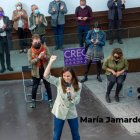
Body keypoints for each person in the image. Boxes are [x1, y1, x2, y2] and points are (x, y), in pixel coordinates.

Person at [44, 55, 82, 140]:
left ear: (72, 76)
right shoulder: (59, 81)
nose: (66, 78)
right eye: (64, 75)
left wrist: (72, 96)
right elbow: (46, 76)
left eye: (68, 76)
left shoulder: (78, 85)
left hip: (71, 111)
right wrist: (50, 62)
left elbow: (77, 100)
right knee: (57, 134)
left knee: (76, 134)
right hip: (59, 111)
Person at [28, 34, 52, 108]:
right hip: (36, 72)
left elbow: (49, 57)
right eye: (35, 42)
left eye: (38, 41)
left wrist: (44, 56)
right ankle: (33, 101)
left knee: (48, 86)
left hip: (45, 71)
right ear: (32, 42)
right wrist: (38, 58)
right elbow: (30, 61)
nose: (37, 43)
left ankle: (50, 101)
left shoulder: (45, 48)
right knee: (34, 87)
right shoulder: (30, 51)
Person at [0, 7, 13, 73]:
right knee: (1, 53)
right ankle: (3, 67)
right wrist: (2, 29)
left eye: (1, 11)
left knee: (8, 53)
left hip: (7, 38)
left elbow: (10, 27)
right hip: (0, 39)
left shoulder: (6, 18)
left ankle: (9, 66)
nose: (0, 13)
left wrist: (5, 28)